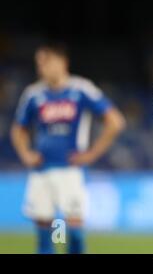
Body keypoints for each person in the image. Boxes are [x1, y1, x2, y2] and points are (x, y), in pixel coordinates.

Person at [10, 42, 126, 254]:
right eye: (39, 63)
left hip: (70, 171)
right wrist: (25, 154)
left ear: (61, 62)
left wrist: (91, 154)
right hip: (42, 172)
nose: (41, 68)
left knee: (74, 233)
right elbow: (18, 129)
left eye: (45, 62)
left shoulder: (81, 89)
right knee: (49, 236)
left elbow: (115, 122)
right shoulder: (33, 94)